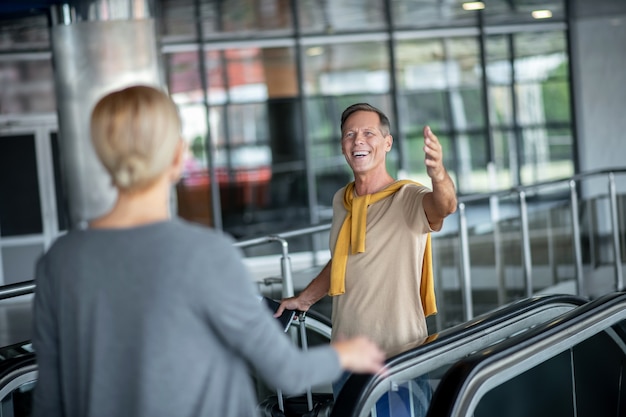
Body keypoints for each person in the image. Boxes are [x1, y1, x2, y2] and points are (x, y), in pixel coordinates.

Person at [31, 86, 385, 417]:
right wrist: (349, 353)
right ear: (178, 155)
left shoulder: (59, 260)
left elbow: (49, 399)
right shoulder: (203, 253)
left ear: (101, 157)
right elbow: (286, 372)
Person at [275, 103, 457, 414]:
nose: (358, 140)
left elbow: (444, 206)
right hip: (346, 357)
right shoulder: (342, 200)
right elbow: (343, 262)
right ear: (343, 146)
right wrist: (305, 299)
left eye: (368, 133)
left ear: (387, 143)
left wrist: (438, 173)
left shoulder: (407, 198)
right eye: (350, 134)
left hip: (396, 359)